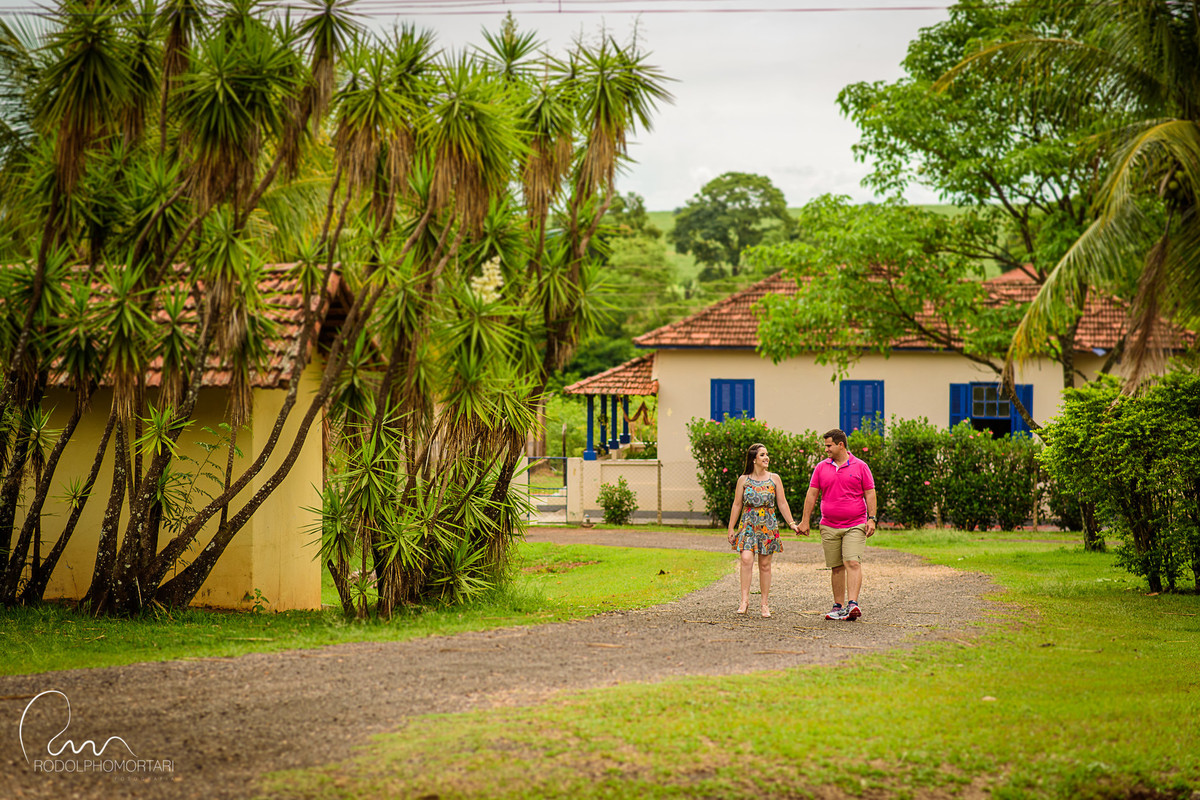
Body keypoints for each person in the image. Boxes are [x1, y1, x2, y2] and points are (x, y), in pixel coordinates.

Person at [796, 428, 877, 621]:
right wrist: (805, 521)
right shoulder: (821, 467)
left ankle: (853, 604)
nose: (826, 450)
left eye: (829, 446)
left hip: (855, 524)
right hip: (829, 525)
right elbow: (812, 494)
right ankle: (838, 606)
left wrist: (872, 518)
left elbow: (870, 492)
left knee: (852, 562)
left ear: (840, 445)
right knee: (836, 567)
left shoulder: (861, 466)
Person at [727, 442, 800, 618]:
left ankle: (764, 604)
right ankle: (744, 601)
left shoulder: (774, 478)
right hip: (748, 525)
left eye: (767, 454)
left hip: (768, 525)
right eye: (762, 455)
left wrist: (791, 523)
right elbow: (737, 504)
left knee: (765, 565)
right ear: (753, 459)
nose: (766, 458)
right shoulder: (743, 480)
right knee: (746, 559)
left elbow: (782, 503)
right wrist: (731, 527)